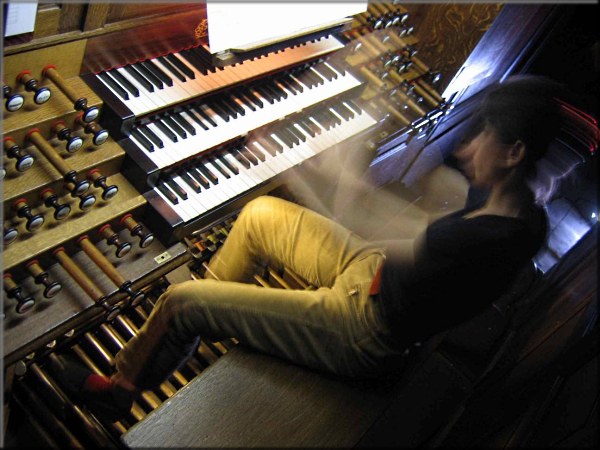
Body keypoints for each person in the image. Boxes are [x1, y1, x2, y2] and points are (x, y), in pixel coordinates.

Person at [51, 75, 573, 419]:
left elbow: (366, 217)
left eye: (484, 137)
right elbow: (400, 239)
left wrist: (312, 170)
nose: (466, 146)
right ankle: (201, 328)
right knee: (258, 216)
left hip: (365, 331)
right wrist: (338, 183)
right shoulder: (520, 206)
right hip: (375, 270)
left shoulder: (492, 239)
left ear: (514, 151)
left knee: (180, 301)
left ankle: (120, 388)